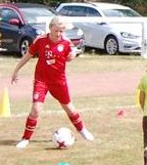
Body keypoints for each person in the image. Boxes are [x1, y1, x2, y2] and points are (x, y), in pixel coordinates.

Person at [11, 16, 94, 149]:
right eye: (56, 31)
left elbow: (69, 57)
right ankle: (25, 139)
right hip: (41, 80)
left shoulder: (66, 43)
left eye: (61, 31)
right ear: (50, 29)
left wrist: (72, 56)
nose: (59, 34)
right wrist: (16, 70)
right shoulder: (41, 40)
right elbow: (28, 55)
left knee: (69, 108)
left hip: (59, 81)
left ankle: (83, 131)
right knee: (36, 109)